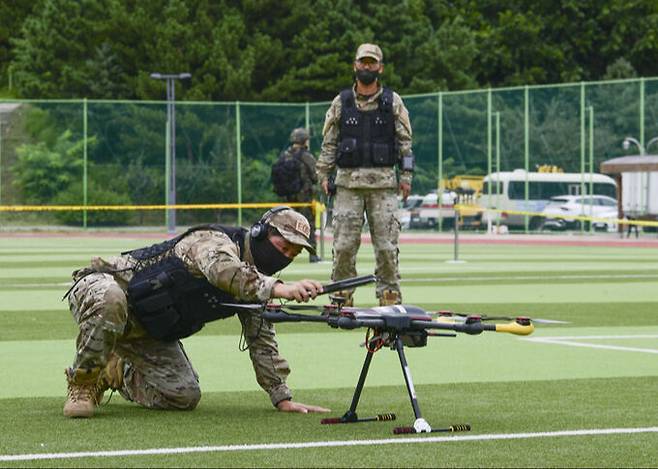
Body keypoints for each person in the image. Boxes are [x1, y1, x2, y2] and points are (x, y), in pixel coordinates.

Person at [62, 206, 330, 418]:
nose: (285, 256)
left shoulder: (258, 284)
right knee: (111, 299)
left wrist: (281, 397)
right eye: (283, 246)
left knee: (183, 395)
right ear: (260, 232)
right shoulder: (214, 241)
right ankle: (83, 383)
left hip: (146, 329)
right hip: (103, 287)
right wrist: (279, 288)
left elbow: (261, 340)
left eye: (292, 254)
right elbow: (224, 271)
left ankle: (115, 370)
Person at [316, 43, 414, 307]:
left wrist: (406, 177)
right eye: (363, 62)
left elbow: (405, 142)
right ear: (355, 65)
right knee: (345, 245)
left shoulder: (392, 102)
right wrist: (324, 174)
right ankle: (341, 294)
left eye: (372, 63)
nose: (367, 67)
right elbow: (330, 142)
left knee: (386, 246)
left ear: (380, 68)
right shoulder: (341, 102)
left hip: (383, 184)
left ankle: (389, 296)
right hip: (348, 184)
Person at [272, 128, 321, 263]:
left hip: (287, 198)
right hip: (304, 198)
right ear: (304, 140)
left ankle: (282, 253)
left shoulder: (285, 155)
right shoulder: (305, 156)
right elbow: (316, 175)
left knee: (286, 226)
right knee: (307, 225)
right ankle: (313, 255)